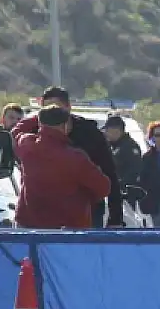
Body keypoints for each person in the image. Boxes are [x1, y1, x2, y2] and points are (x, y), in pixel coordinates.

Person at [23, 87, 123, 228]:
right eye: (46, 109)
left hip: (86, 212)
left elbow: (109, 175)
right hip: (42, 214)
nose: (52, 112)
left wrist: (116, 218)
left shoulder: (90, 133)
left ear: (68, 107)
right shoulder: (33, 135)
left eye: (56, 107)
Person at [10, 104, 112, 229]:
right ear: (66, 125)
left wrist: (38, 116)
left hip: (28, 227)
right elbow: (104, 188)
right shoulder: (75, 157)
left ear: (40, 123)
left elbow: (16, 131)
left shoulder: (27, 145)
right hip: (67, 233)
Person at [103, 114, 143, 201]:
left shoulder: (130, 147)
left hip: (125, 193)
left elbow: (134, 171)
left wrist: (120, 185)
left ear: (117, 131)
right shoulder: (110, 145)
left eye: (108, 131)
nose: (106, 134)